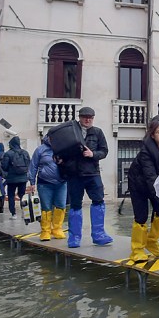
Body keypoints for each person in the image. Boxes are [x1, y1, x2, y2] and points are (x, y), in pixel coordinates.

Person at [126, 118, 159, 264]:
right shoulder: (145, 152)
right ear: (152, 135)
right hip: (139, 185)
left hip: (156, 184)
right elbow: (151, 178)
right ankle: (137, 250)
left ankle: (151, 241)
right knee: (141, 216)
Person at [59, 106, 113, 247]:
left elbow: (104, 151)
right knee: (75, 205)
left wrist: (93, 154)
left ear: (93, 118)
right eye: (85, 117)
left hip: (92, 174)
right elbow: (61, 150)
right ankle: (74, 238)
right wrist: (60, 160)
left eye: (90, 117)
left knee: (98, 201)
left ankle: (99, 235)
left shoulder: (98, 132)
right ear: (80, 117)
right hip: (74, 175)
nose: (88, 119)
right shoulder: (70, 132)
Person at [28, 134, 67, 241]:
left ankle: (57, 228)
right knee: (46, 207)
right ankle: (45, 230)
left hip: (62, 182)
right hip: (44, 183)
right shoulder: (40, 150)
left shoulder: (63, 148)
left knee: (61, 205)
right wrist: (32, 181)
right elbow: (33, 165)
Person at [0, 136, 31, 218]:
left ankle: (13, 214)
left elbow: (4, 166)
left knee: (11, 195)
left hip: (11, 179)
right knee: (22, 195)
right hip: (23, 178)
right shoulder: (25, 152)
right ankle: (24, 212)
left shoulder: (8, 153)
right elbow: (29, 164)